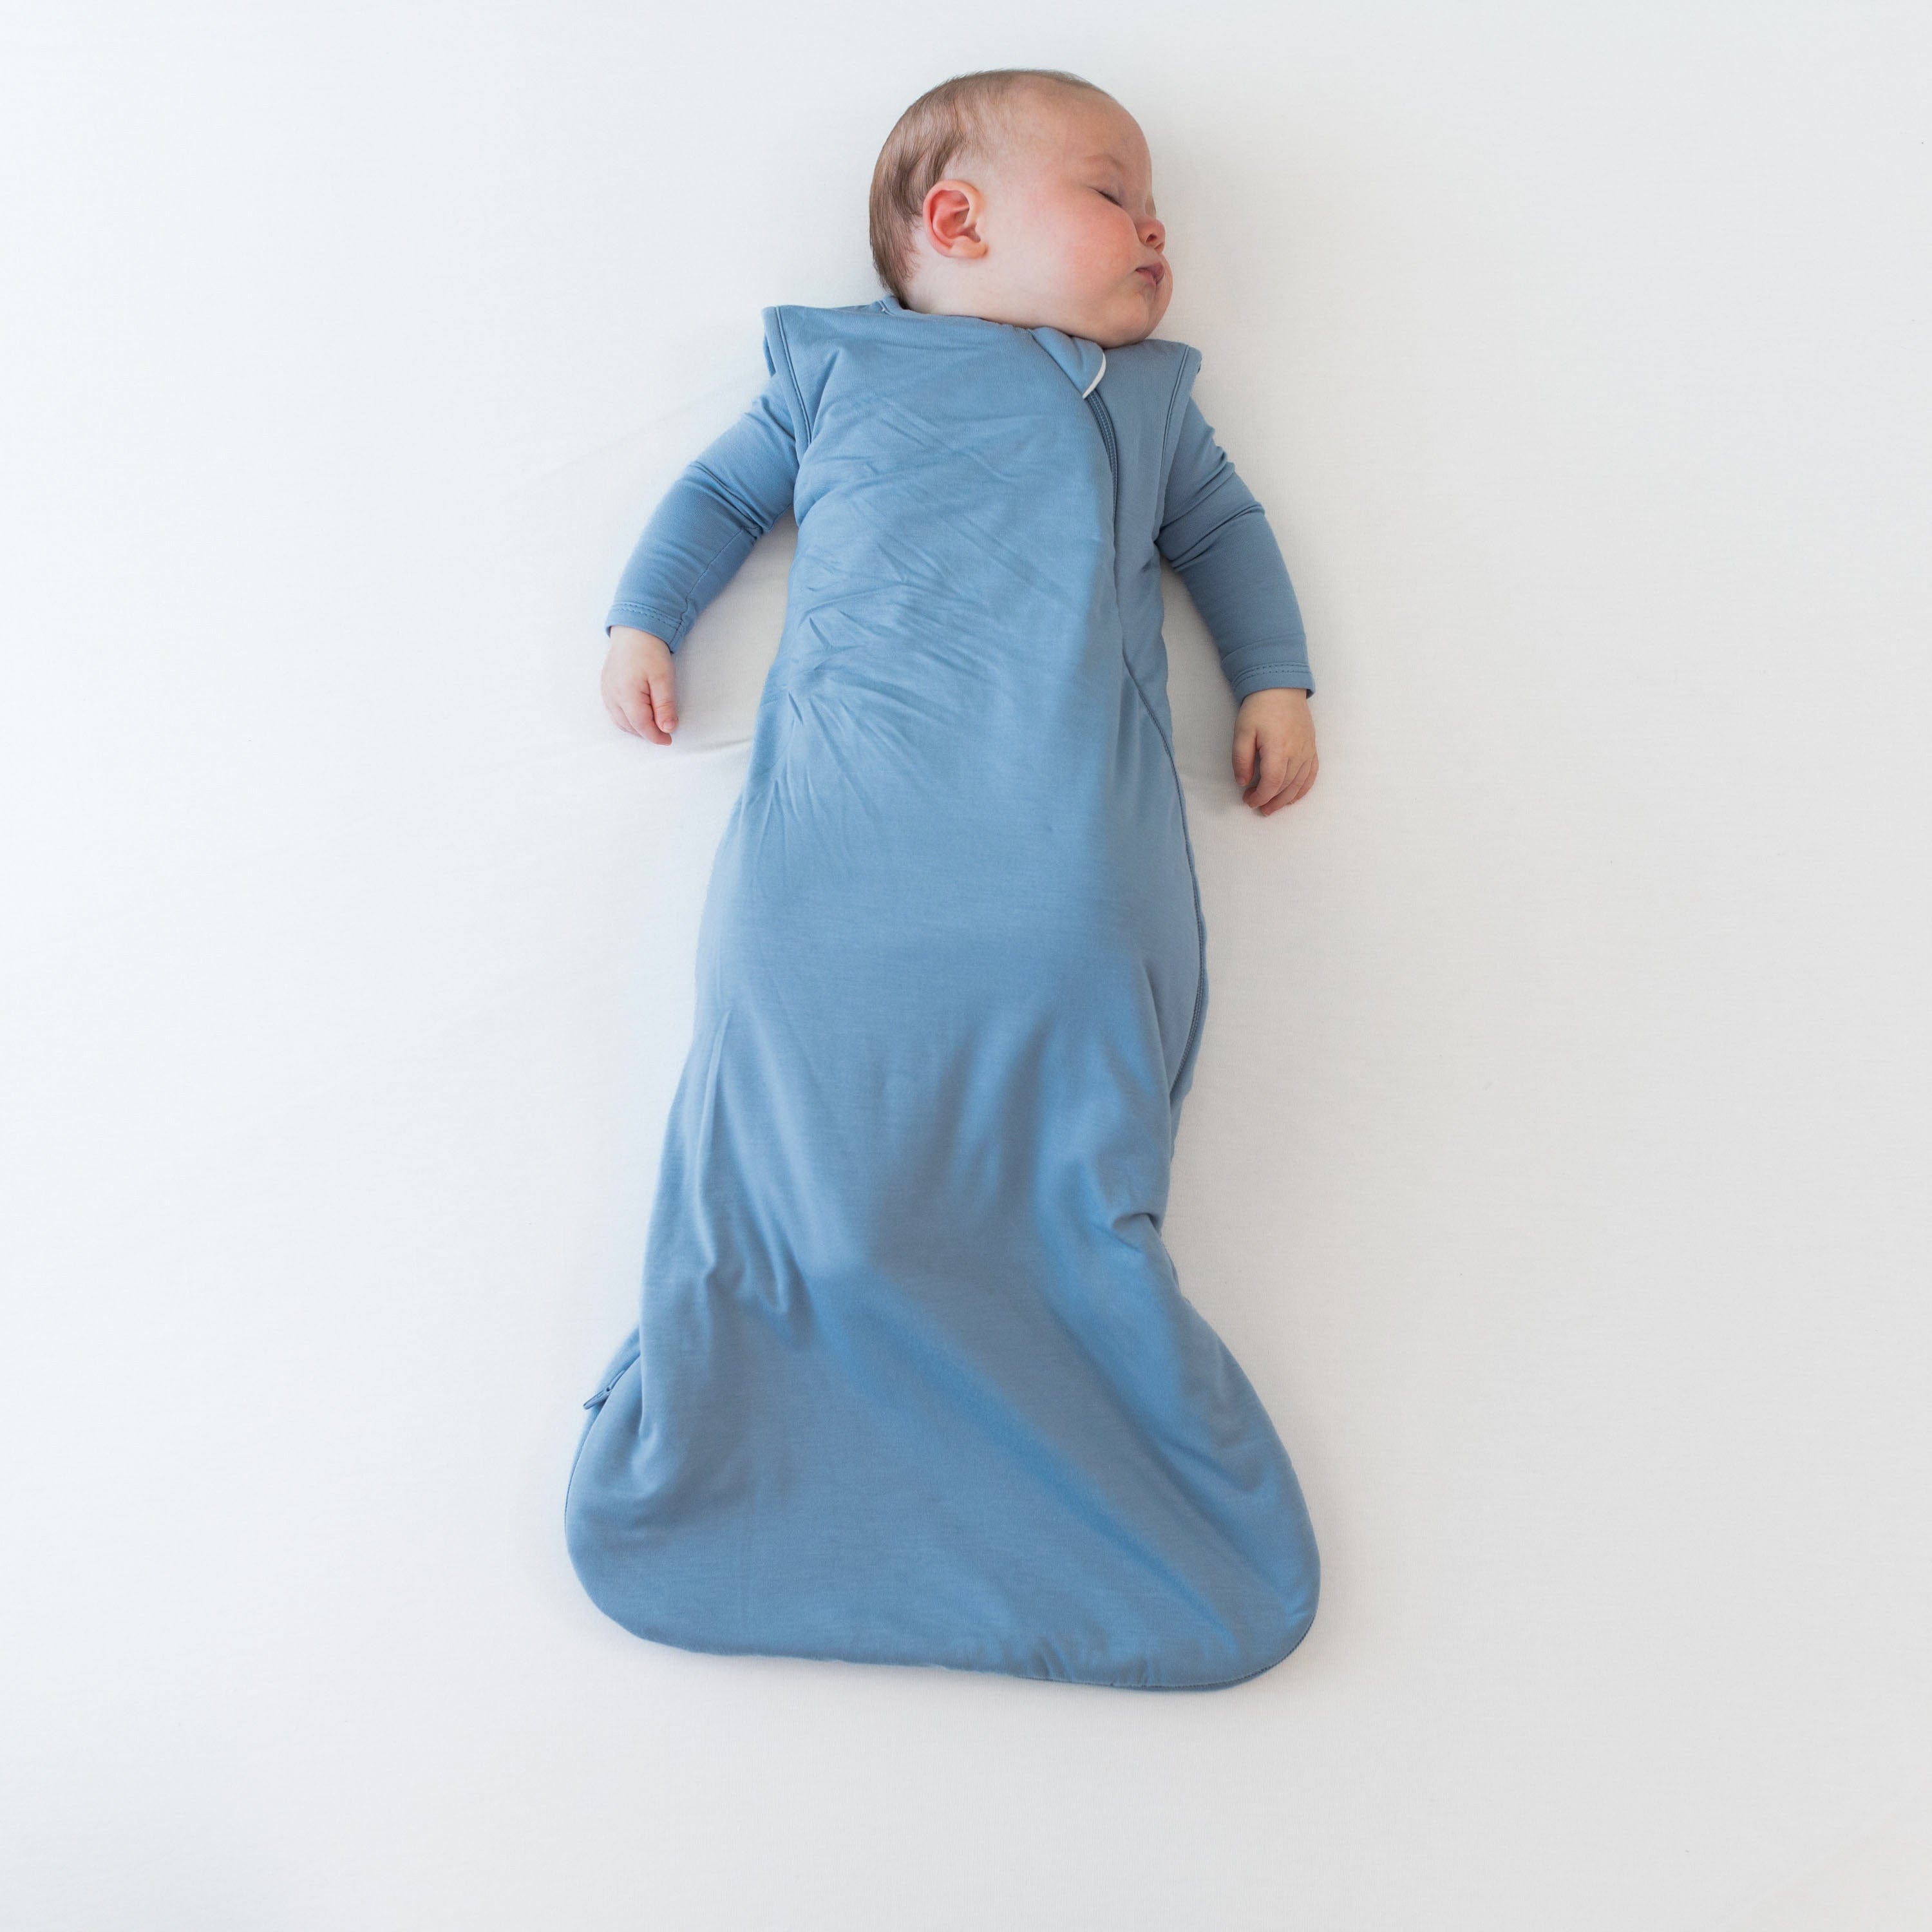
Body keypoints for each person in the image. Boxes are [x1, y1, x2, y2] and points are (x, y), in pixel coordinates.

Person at [567, 68, 1323, 1690]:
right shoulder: (834, 369)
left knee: (1057, 1157)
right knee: (793, 1139)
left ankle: (1067, 1378)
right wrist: (648, 615)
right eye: (1117, 191)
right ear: (958, 222)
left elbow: (1227, 533)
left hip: (1060, 862)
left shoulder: (1141, 402)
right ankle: (754, 1406)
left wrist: (1274, 679)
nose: (1159, 231)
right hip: (834, 860)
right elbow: (718, 496)